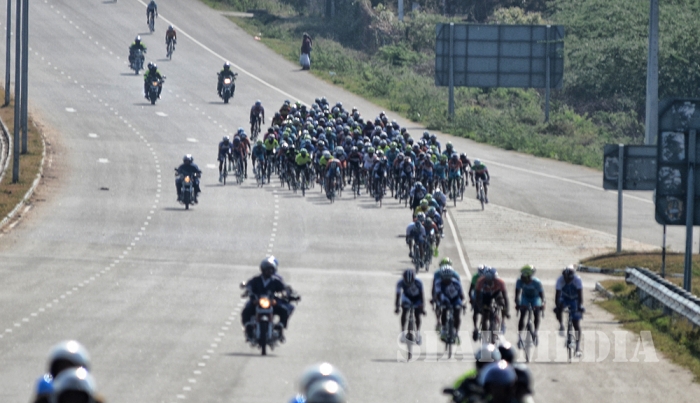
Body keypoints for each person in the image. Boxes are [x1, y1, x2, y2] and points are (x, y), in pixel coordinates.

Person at [241, 257, 296, 341]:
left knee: (284, 311)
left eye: (271, 269)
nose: (269, 271)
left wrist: (287, 293)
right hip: (257, 302)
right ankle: (248, 328)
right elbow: (249, 285)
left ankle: (280, 327)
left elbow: (284, 288)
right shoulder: (256, 280)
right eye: (267, 269)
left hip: (271, 303)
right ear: (263, 269)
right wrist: (248, 290)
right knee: (246, 311)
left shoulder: (276, 281)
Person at [555, 264, 584, 356]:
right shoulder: (560, 280)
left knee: (576, 324)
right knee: (559, 307)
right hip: (564, 297)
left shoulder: (577, 280)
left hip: (575, 299)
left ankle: (578, 347)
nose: (567, 280)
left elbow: (580, 295)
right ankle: (561, 325)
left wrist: (580, 306)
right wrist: (557, 306)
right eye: (565, 278)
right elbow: (557, 295)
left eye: (569, 279)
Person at [475, 267, 510, 340]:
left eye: (492, 280)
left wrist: (507, 310)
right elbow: (477, 296)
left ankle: (503, 322)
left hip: (496, 293)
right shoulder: (480, 281)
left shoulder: (500, 282)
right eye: (488, 280)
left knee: (502, 303)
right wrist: (480, 307)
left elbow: (505, 297)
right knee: (485, 315)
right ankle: (484, 335)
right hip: (486, 295)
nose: (490, 282)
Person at [515, 264, 545, 347]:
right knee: (522, 315)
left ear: (528, 276)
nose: (522, 277)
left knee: (536, 313)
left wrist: (542, 303)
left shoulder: (537, 282)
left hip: (535, 298)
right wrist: (517, 304)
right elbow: (517, 294)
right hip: (525, 297)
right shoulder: (519, 281)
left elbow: (541, 295)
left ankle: (535, 332)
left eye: (523, 276)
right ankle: (520, 336)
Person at [434, 265, 465, 342]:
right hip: (444, 299)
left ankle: (456, 332)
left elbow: (461, 295)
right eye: (445, 278)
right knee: (444, 310)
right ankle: (444, 328)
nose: (446, 280)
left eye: (448, 278)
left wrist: (463, 304)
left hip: (455, 299)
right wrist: (438, 303)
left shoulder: (456, 283)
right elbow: (438, 294)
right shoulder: (438, 283)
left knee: (457, 315)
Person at [395, 269, 425, 345]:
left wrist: (422, 307)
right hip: (407, 297)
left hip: (417, 298)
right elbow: (398, 295)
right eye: (407, 283)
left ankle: (418, 334)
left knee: (417, 314)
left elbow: (422, 295)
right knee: (404, 311)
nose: (408, 284)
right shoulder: (400, 282)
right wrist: (397, 306)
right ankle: (402, 333)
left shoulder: (419, 282)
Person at [469, 265, 486, 340]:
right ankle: (475, 327)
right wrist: (471, 299)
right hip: (477, 294)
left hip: (486, 294)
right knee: (476, 311)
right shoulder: (475, 277)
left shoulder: (488, 277)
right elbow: (471, 289)